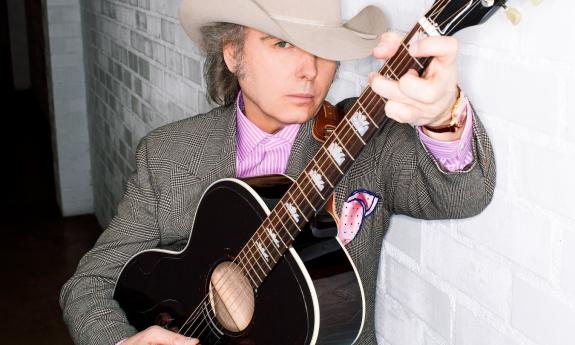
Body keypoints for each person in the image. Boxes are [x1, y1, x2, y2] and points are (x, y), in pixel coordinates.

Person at [60, 0, 496, 344]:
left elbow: (463, 192)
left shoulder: (363, 143)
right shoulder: (169, 154)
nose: (309, 70)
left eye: (321, 49)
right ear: (232, 53)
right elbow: (89, 284)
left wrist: (442, 116)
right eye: (282, 43)